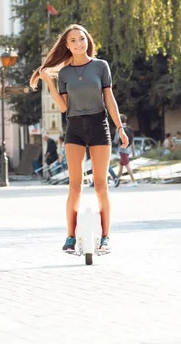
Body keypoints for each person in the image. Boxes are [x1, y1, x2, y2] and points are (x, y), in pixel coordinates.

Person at [30, 24, 129, 254]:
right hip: (74, 128)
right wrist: (49, 83)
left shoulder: (100, 66)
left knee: (100, 185)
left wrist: (120, 128)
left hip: (98, 125)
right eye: (73, 40)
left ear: (87, 40)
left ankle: (105, 237)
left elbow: (109, 99)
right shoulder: (64, 73)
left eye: (81, 39)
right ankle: (70, 237)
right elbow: (64, 107)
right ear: (67, 45)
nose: (78, 43)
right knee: (74, 187)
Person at [114, 114, 137, 186]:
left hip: (122, 150)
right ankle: (116, 180)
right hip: (128, 149)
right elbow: (132, 141)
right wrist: (133, 152)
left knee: (127, 166)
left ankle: (133, 181)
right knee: (121, 166)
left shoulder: (118, 129)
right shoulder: (129, 128)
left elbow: (115, 141)